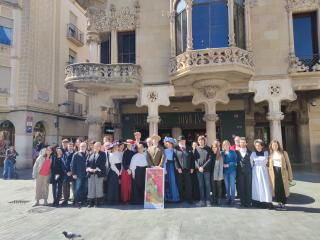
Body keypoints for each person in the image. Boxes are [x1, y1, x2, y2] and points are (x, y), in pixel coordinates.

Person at [268, 140, 293, 210]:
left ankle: (283, 204)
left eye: (276, 145)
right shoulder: (271, 154)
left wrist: (290, 176)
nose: (275, 146)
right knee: (276, 188)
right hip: (274, 173)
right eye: (273, 145)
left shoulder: (284, 153)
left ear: (278, 145)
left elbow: (288, 164)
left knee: (283, 188)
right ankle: (279, 203)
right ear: (271, 146)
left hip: (282, 172)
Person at [251, 139, 273, 209]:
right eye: (256, 145)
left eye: (259, 145)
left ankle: (267, 202)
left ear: (262, 146)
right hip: (256, 172)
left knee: (265, 186)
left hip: (264, 171)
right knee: (257, 186)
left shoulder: (266, 153)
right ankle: (257, 201)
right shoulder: (253, 154)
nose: (258, 147)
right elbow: (251, 163)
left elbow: (269, 163)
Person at [175, 135, 194, 204]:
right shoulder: (176, 149)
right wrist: (178, 168)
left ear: (185, 141)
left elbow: (192, 159)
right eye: (180, 141)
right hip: (179, 170)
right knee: (179, 184)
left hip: (188, 169)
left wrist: (192, 167)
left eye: (183, 140)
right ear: (178, 142)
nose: (182, 142)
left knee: (188, 184)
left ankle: (189, 198)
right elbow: (175, 159)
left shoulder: (189, 148)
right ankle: (181, 198)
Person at [86, 142, 106, 207]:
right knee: (91, 188)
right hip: (91, 173)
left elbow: (103, 164)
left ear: (100, 147)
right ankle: (90, 202)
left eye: (98, 146)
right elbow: (87, 163)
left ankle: (97, 202)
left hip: (99, 174)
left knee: (98, 188)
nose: (96, 147)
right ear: (93, 146)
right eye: (95, 146)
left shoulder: (103, 154)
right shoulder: (90, 153)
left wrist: (96, 169)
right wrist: (88, 168)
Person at [194, 136, 212, 207]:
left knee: (207, 186)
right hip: (199, 171)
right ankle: (202, 200)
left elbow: (210, 159)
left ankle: (208, 201)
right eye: (199, 140)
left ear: (204, 141)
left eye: (202, 140)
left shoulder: (208, 148)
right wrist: (199, 167)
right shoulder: (196, 149)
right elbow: (194, 160)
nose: (201, 141)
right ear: (198, 141)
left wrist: (203, 167)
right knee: (201, 186)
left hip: (207, 170)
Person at [235, 137, 252, 207]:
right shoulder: (236, 152)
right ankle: (242, 202)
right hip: (240, 172)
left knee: (248, 187)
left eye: (243, 142)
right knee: (241, 187)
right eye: (241, 142)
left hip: (248, 172)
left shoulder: (250, 152)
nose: (242, 143)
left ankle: (248, 202)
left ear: (246, 143)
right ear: (239, 143)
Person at [71, 142, 89, 207]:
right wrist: (73, 173)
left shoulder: (88, 154)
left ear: (86, 147)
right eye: (81, 146)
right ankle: (77, 201)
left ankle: (83, 200)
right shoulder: (76, 154)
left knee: (85, 188)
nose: (82, 147)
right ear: (79, 147)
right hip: (78, 175)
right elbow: (73, 165)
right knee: (77, 188)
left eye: (84, 146)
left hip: (86, 175)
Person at [163, 137, 180, 203]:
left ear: (172, 144)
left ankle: (175, 197)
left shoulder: (175, 150)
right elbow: (164, 160)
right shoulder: (165, 151)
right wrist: (164, 168)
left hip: (174, 166)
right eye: (168, 143)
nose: (169, 144)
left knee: (174, 181)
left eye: (170, 143)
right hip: (168, 166)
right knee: (168, 181)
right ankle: (168, 198)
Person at [222, 140, 237, 205]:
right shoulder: (222, 153)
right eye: (224, 145)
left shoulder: (233, 152)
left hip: (232, 171)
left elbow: (235, 162)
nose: (226, 146)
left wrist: (228, 165)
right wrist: (222, 164)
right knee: (227, 186)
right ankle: (228, 199)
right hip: (225, 172)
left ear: (229, 145)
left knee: (232, 186)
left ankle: (233, 200)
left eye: (227, 144)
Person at [121, 139, 135, 204]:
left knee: (130, 185)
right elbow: (123, 163)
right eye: (128, 144)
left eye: (131, 144)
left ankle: (129, 199)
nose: (129, 145)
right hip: (125, 170)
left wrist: (131, 169)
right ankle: (125, 199)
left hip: (131, 170)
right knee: (125, 185)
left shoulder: (133, 152)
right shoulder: (125, 152)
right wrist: (127, 169)